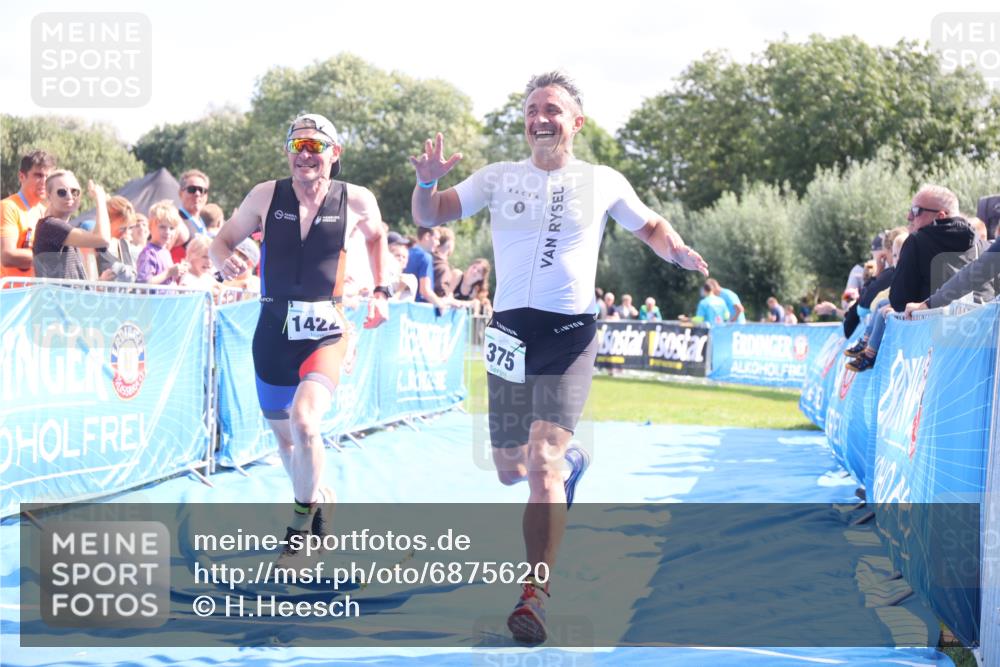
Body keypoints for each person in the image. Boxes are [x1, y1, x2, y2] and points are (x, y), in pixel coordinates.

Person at [409, 70, 707, 643]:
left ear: (576, 121)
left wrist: (677, 253)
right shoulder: (498, 178)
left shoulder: (601, 180)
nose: (540, 118)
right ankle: (573, 465)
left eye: (552, 108)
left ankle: (534, 593)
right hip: (508, 337)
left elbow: (651, 226)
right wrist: (425, 184)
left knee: (541, 464)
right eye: (531, 110)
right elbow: (431, 215)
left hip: (569, 334)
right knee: (510, 470)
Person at [210, 113, 391, 562]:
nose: (305, 155)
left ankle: (298, 521)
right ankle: (318, 497)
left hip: (325, 330)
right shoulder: (265, 194)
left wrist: (381, 290)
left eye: (315, 146)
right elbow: (222, 241)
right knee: (286, 439)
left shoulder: (357, 199)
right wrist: (222, 262)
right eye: (297, 147)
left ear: (335, 153)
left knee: (306, 422)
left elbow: (378, 236)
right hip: (271, 329)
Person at [32, 171, 111, 280]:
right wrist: (100, 199)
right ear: (49, 196)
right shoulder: (50, 226)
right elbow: (102, 239)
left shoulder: (63, 229)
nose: (69, 196)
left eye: (75, 192)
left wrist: (100, 282)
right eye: (62, 192)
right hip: (56, 296)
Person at [1, 150, 56, 282]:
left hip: (36, 294)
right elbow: (7, 256)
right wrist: (50, 257)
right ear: (22, 177)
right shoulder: (8, 207)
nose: (44, 181)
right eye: (38, 175)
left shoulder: (45, 211)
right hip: (9, 295)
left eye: (48, 177)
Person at [136, 200, 187, 285]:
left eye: (172, 228)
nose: (167, 232)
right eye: (162, 227)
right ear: (150, 227)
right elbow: (144, 284)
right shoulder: (149, 253)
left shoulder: (165, 252)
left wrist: (177, 273)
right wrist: (169, 273)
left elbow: (165, 279)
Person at [170, 169, 211, 263]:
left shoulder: (203, 223)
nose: (197, 194)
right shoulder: (174, 220)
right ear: (180, 193)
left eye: (202, 190)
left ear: (206, 196)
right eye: (192, 189)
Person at [97, 195, 139, 283]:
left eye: (130, 227)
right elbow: (85, 284)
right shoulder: (94, 246)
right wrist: (100, 281)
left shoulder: (124, 244)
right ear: (108, 221)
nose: (126, 233)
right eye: (122, 228)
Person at [386, 231, 418, 302]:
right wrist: (400, 289)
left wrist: (400, 288)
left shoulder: (410, 278)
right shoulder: (383, 277)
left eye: (404, 257)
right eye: (397, 255)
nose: (401, 259)